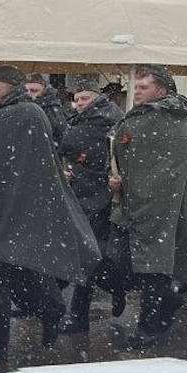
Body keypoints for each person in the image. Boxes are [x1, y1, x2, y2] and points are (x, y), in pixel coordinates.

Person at [0, 65, 100, 367]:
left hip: (14, 206)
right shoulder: (12, 112)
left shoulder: (21, 114)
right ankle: (51, 309)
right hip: (8, 205)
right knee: (23, 269)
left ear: (12, 88)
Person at [107, 65, 187, 349]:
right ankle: (164, 305)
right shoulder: (147, 117)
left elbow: (166, 171)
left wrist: (137, 193)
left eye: (144, 87)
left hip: (160, 207)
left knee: (153, 267)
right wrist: (121, 181)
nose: (137, 91)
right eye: (137, 86)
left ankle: (150, 325)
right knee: (131, 264)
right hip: (138, 203)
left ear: (161, 90)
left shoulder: (168, 120)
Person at [56, 80, 127, 334]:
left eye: (85, 98)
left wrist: (77, 166)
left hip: (98, 197)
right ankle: (116, 285)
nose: (80, 103)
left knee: (86, 256)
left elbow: (100, 155)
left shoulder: (105, 119)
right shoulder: (84, 119)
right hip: (81, 194)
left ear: (97, 98)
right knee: (85, 255)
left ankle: (79, 314)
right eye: (78, 98)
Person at [23, 73, 68, 148]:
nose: (29, 94)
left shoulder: (52, 108)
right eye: (26, 91)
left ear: (44, 92)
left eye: (34, 90)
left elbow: (59, 131)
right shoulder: (19, 105)